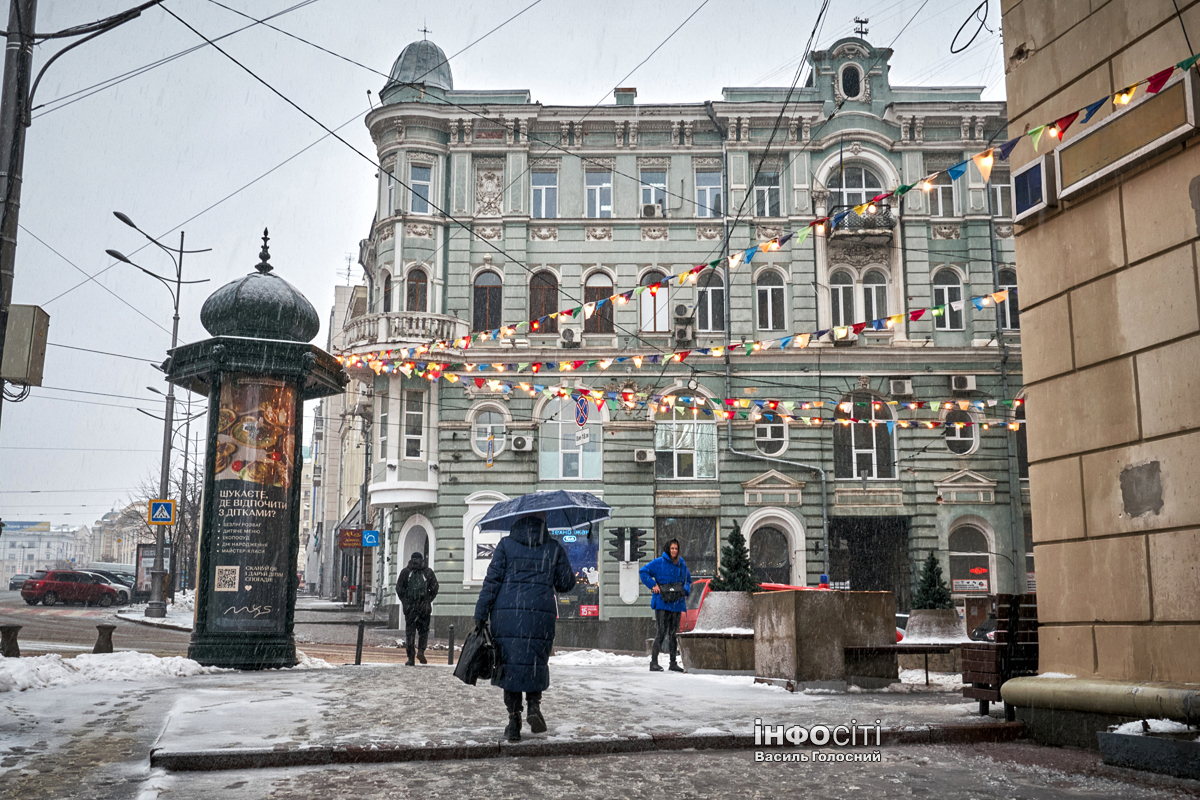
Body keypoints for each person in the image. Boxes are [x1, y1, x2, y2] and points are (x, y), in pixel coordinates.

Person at [474, 512, 575, 742]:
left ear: (517, 521)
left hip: (507, 614)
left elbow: (492, 582)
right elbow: (565, 583)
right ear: (543, 523)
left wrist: (480, 614)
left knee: (509, 665)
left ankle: (513, 720)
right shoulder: (553, 547)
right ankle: (533, 705)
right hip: (541, 615)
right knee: (534, 661)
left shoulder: (506, 545)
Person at [639, 538, 691, 673]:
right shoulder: (658, 563)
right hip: (662, 602)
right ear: (668, 549)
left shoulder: (681, 564)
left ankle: (673, 663)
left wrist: (685, 590)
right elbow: (643, 572)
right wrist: (653, 585)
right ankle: (654, 662)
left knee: (673, 633)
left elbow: (688, 580)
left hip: (677, 603)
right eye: (672, 548)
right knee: (661, 632)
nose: (674, 551)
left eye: (676, 548)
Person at [396, 552, 439, 666]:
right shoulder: (428, 572)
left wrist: (406, 601)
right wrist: (428, 599)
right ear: (422, 559)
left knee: (410, 633)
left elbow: (399, 588)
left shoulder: (405, 572)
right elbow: (435, 587)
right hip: (424, 608)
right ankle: (421, 651)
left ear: (411, 559)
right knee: (423, 631)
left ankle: (411, 658)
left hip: (410, 609)